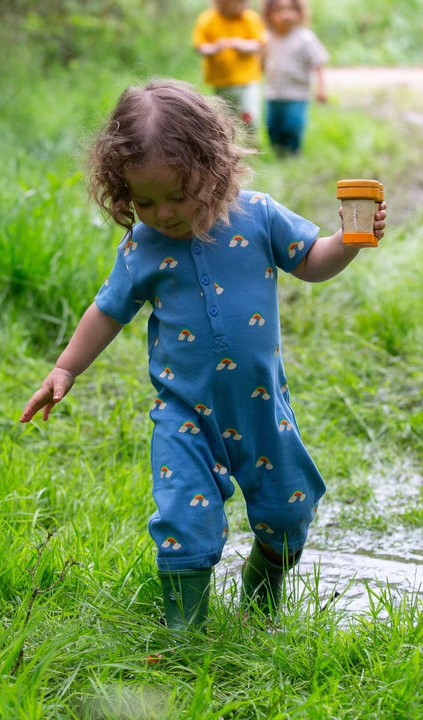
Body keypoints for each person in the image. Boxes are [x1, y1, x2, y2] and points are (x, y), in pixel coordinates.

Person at [19, 79, 387, 638]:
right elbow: (108, 310)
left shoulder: (258, 216)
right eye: (144, 200)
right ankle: (183, 634)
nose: (162, 212)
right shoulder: (143, 245)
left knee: (287, 518)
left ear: (213, 166)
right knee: (183, 522)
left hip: (260, 408)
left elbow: (312, 261)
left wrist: (349, 241)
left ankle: (262, 596)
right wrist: (65, 368)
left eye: (178, 193)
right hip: (184, 413)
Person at [261, 0, 329, 155]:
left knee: (292, 126)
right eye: (279, 10)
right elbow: (262, 62)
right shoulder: (267, 37)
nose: (285, 15)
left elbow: (319, 62)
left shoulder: (305, 38)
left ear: (300, 12)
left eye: (290, 10)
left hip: (297, 95)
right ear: (269, 15)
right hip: (273, 94)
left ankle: (292, 153)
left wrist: (321, 88)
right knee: (272, 127)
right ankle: (278, 153)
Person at [192, 0, 267, 133]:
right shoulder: (207, 19)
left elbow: (259, 43)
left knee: (249, 116)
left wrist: (242, 45)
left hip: (247, 80)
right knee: (227, 119)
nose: (245, 5)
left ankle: (251, 143)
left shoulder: (249, 17)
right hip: (221, 81)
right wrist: (215, 48)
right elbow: (200, 47)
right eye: (240, 2)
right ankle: (232, 147)